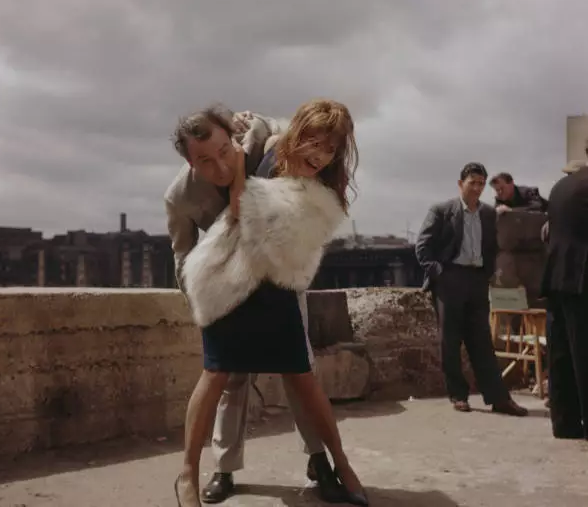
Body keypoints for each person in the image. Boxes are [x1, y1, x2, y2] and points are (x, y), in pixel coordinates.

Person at [174, 99, 368, 507]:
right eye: (312, 141)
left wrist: (242, 170)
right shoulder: (272, 147)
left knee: (303, 377)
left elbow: (250, 220)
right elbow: (252, 131)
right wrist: (247, 122)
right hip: (229, 284)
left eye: (330, 148)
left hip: (276, 289)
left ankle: (337, 463)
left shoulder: (324, 195)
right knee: (217, 378)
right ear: (297, 134)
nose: (318, 153)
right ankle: (191, 473)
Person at [415, 162, 528, 416]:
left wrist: (486, 274)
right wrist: (440, 273)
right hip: (450, 279)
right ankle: (458, 394)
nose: (476, 188)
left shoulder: (488, 213)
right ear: (460, 184)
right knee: (450, 340)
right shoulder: (442, 210)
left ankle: (499, 398)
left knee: (482, 341)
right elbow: (422, 247)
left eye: (480, 183)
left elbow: (491, 247)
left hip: (476, 281)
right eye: (472, 183)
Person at [540, 164, 588, 440]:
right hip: (582, 279)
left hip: (557, 278)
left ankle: (565, 423)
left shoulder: (562, 187)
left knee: (561, 356)